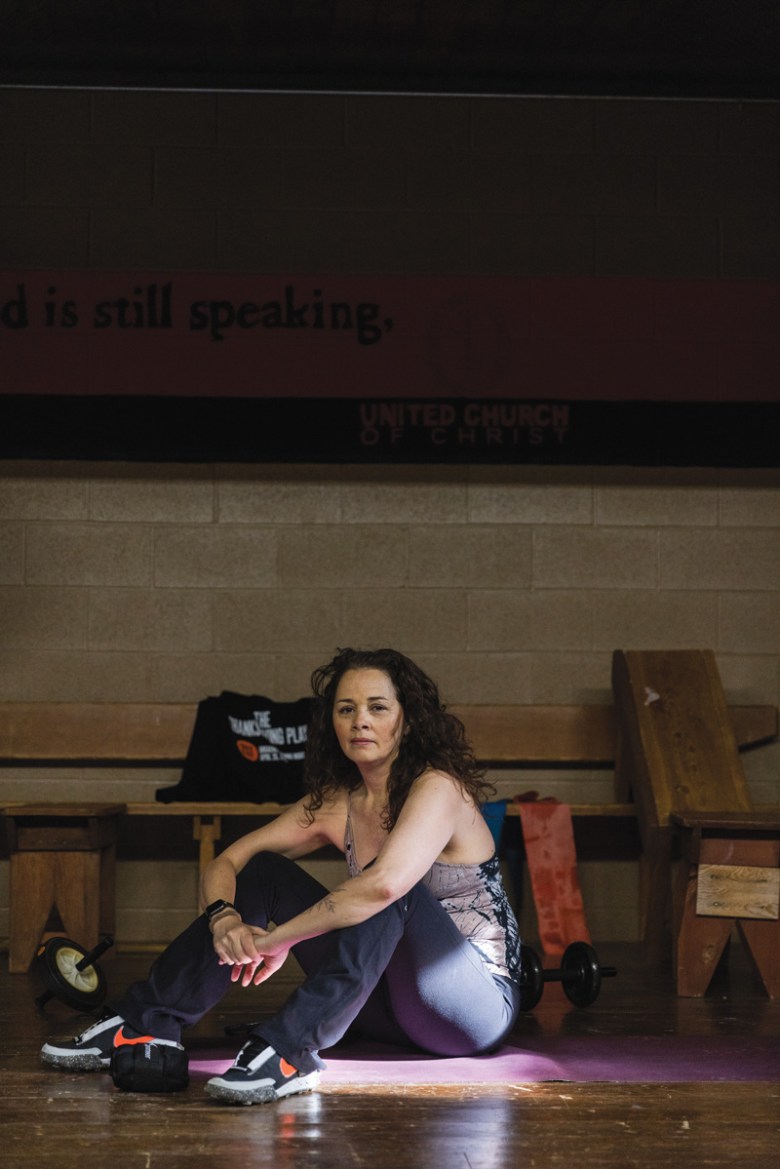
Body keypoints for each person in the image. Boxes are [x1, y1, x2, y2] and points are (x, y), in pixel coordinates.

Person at [41, 647, 522, 1105]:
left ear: (408, 719)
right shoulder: (339, 802)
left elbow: (385, 886)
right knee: (265, 870)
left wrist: (278, 940)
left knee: (392, 890)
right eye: (346, 709)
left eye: (377, 707)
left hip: (467, 1009)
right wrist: (224, 921)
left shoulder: (437, 787)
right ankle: (143, 1022)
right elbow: (229, 861)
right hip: (382, 1006)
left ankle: (290, 1053)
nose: (360, 721)